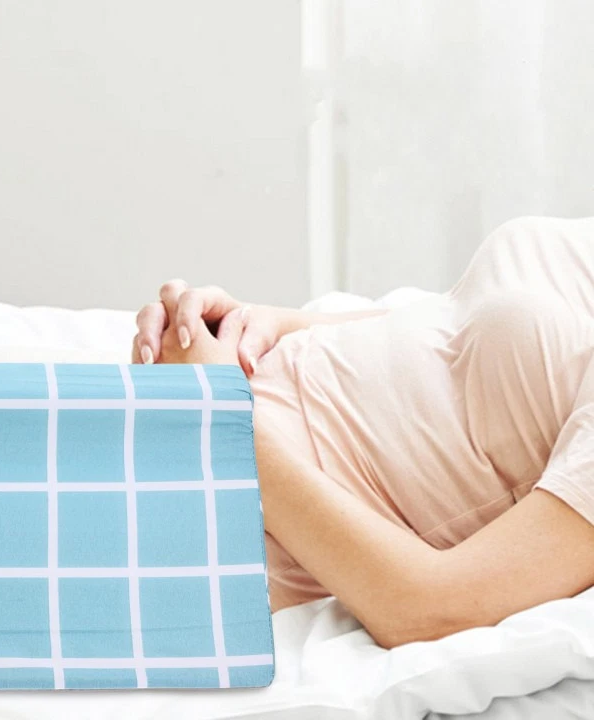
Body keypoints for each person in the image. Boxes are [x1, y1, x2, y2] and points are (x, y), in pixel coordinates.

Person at [131, 216, 594, 646]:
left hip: (205, 518)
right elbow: (457, 319)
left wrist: (223, 418)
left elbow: (431, 609)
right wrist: (268, 324)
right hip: (178, 415)